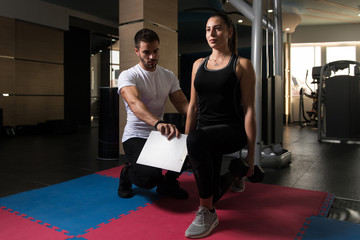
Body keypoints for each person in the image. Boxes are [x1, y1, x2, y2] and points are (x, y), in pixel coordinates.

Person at [184, 13, 256, 238]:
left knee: (197, 139)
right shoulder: (198, 65)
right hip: (204, 135)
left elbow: (249, 110)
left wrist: (251, 156)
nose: (211, 34)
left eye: (217, 29)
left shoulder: (242, 65)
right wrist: (184, 143)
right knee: (213, 191)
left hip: (231, 130)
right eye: (207, 29)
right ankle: (235, 173)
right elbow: (193, 106)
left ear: (229, 32)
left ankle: (207, 211)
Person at [117, 28, 189, 199]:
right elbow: (135, 103)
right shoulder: (128, 75)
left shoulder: (168, 76)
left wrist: (203, 119)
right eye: (146, 52)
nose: (152, 56)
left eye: (155, 51)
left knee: (194, 145)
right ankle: (127, 173)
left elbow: (183, 104)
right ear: (137, 51)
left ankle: (168, 185)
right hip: (136, 136)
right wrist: (158, 123)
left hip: (159, 135)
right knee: (149, 179)